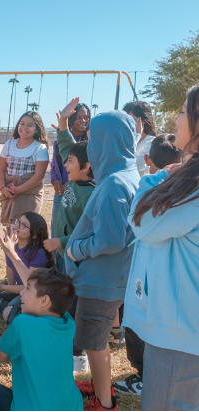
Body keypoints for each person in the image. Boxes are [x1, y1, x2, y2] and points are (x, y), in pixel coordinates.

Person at [122, 84, 199, 410]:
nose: (176, 118)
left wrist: (154, 178)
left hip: (179, 332)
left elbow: (143, 223)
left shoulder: (191, 186)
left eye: (183, 110)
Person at [65, 111, 140, 411]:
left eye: (93, 138)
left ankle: (103, 403)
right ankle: (99, 386)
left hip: (100, 282)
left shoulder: (112, 186)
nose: (89, 144)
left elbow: (109, 240)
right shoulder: (127, 175)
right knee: (96, 342)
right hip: (112, 279)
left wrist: (76, 250)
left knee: (94, 344)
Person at [113, 134, 182, 397]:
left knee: (140, 328)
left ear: (146, 160)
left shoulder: (150, 184)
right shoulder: (183, 187)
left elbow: (139, 222)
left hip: (144, 275)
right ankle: (145, 374)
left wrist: (152, 178)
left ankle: (144, 377)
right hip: (159, 277)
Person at [44, 98, 97, 374]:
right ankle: (65, 342)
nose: (66, 163)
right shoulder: (76, 179)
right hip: (65, 257)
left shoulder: (91, 195)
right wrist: (64, 120)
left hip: (77, 260)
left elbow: (85, 233)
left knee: (75, 301)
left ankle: (78, 354)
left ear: (87, 167)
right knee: (65, 296)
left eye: (71, 162)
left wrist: (60, 243)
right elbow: (65, 144)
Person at [0, 267, 83, 412]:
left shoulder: (22, 323)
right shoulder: (68, 323)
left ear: (44, 300)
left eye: (27, 289)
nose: (22, 292)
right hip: (73, 407)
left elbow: (0, 357)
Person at [0, 111, 50, 229]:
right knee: (11, 231)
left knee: (26, 231)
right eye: (22, 124)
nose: (25, 128)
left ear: (37, 129)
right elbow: (1, 168)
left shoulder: (40, 148)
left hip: (29, 196)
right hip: (9, 194)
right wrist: (3, 188)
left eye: (30, 125)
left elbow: (38, 176)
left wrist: (18, 190)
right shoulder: (9, 144)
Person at [0, 212, 52, 325]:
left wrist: (3, 287)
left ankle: (10, 309)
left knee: (12, 315)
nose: (17, 226)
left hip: (34, 295)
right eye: (18, 221)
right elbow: (10, 269)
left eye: (23, 225)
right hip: (20, 291)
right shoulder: (13, 244)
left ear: (34, 235)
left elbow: (31, 286)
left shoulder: (38, 253)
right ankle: (5, 306)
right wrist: (5, 288)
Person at [50, 103, 90, 230]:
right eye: (78, 117)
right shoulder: (59, 143)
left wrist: (71, 184)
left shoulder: (90, 143)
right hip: (60, 191)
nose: (83, 120)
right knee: (57, 226)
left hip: (77, 192)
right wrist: (55, 180)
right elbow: (54, 165)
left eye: (86, 117)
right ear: (71, 119)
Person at [123, 101, 157, 177]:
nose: (126, 124)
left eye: (132, 120)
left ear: (143, 121)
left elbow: (128, 165)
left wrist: (136, 136)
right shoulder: (122, 139)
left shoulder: (151, 142)